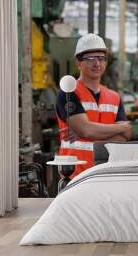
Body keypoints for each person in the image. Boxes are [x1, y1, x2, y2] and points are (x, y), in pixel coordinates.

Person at [56, 33, 132, 178]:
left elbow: (125, 137)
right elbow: (86, 130)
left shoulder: (114, 97)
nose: (97, 63)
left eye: (101, 58)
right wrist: (120, 128)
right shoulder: (68, 92)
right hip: (75, 174)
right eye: (90, 59)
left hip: (105, 172)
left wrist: (88, 132)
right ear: (78, 63)